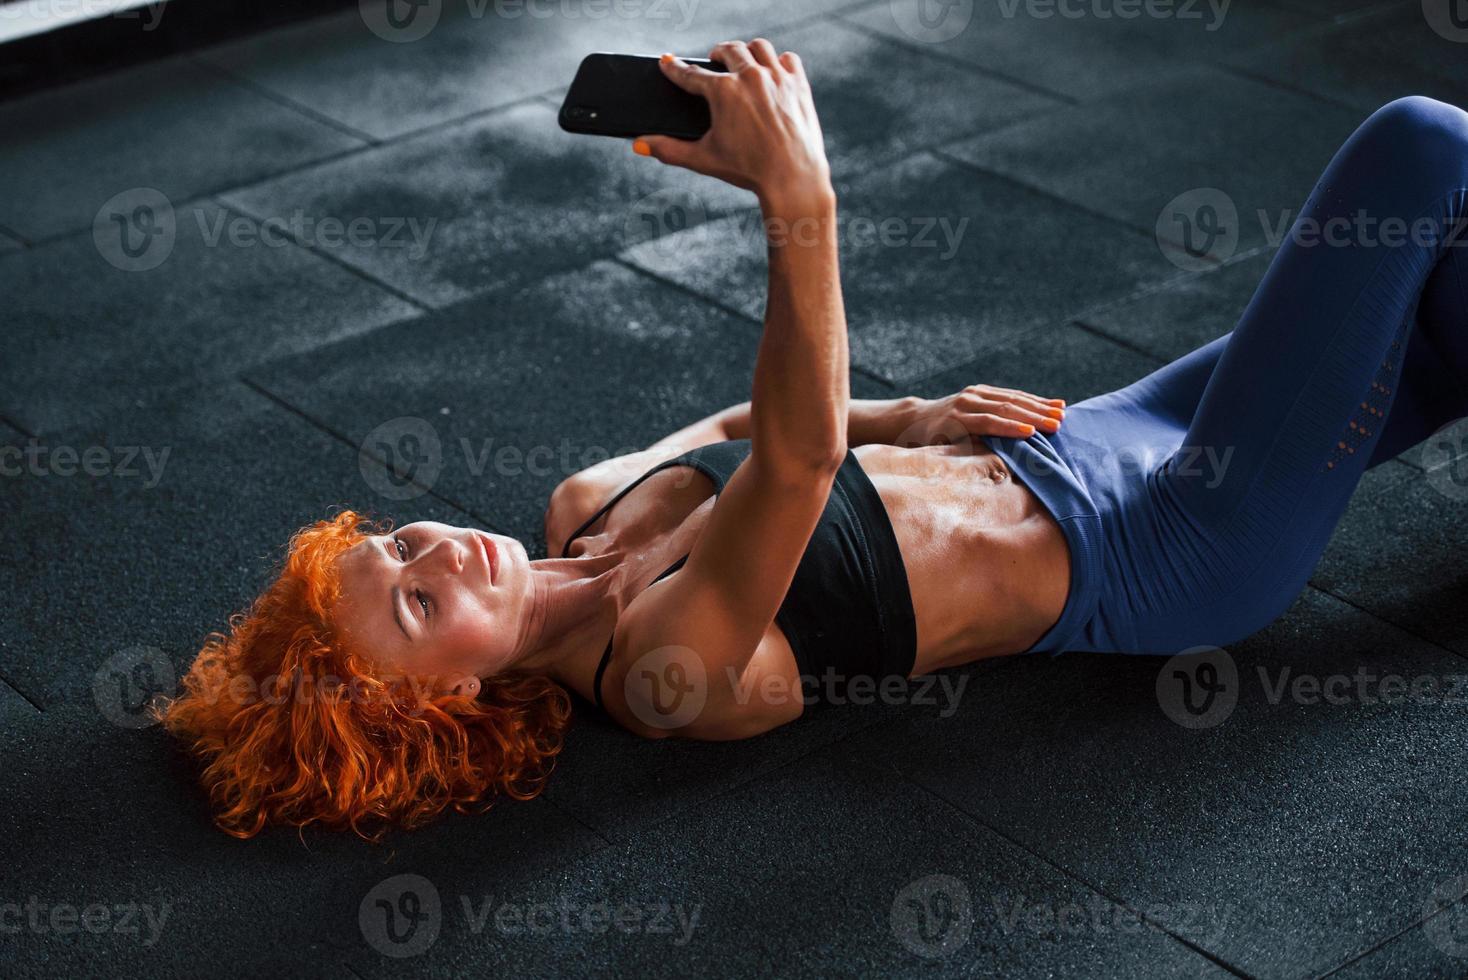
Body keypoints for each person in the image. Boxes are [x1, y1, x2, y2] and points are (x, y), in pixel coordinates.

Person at [160, 40, 1468, 839]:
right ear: (441, 702)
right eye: (418, 594)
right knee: (1418, 146)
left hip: (1096, 435)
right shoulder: (660, 679)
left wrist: (919, 413)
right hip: (1177, 539)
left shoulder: (588, 503)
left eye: (396, 542)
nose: (433, 541)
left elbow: (742, 422)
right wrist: (801, 197)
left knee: (1445, 309)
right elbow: (789, 469)